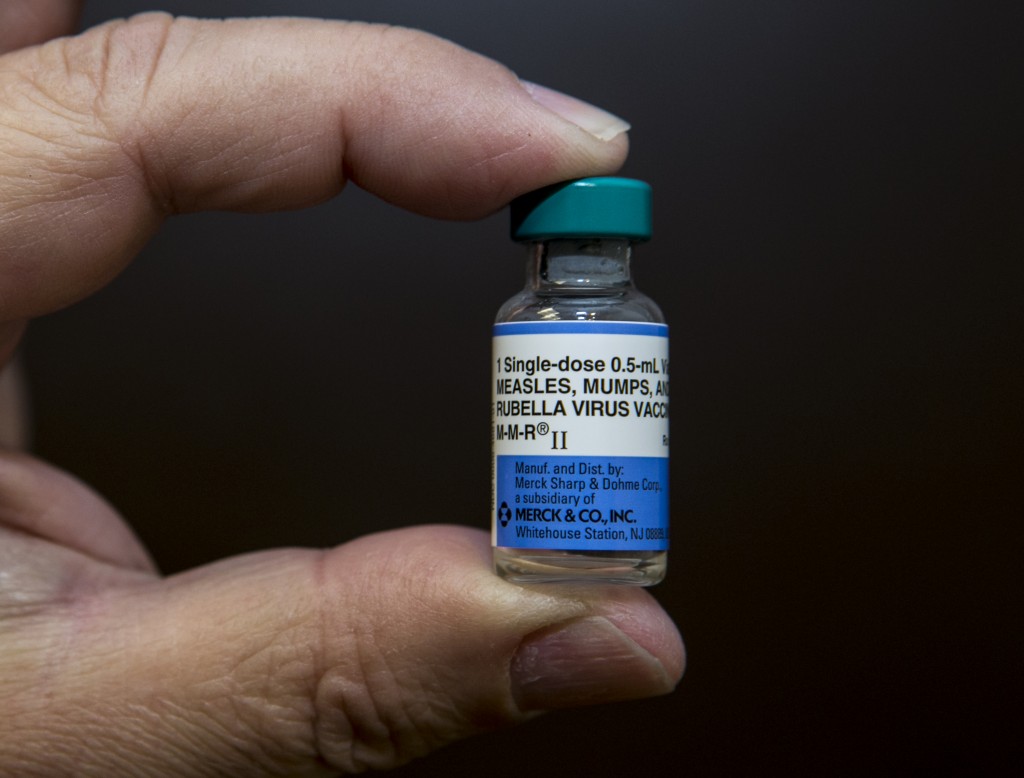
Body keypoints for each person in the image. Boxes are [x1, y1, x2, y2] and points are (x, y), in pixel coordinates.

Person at [0, 3, 684, 774]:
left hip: (612, 542)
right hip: (536, 538)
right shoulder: (531, 316)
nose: (582, 267)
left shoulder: (627, 319)